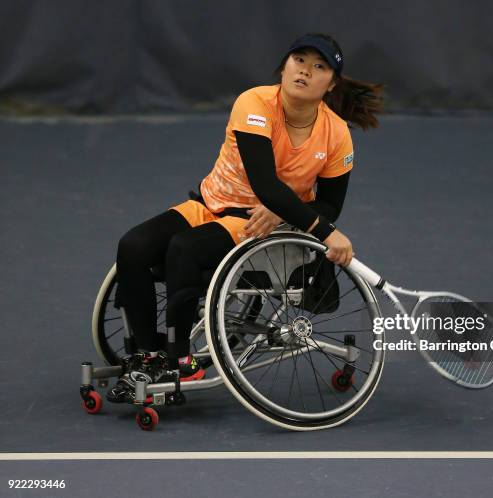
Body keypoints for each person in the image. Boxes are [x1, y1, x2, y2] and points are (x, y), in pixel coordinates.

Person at [107, 33, 384, 402]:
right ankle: (148, 354)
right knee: (134, 246)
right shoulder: (253, 102)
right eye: (299, 60)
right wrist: (326, 232)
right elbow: (266, 184)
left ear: (331, 83)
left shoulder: (336, 135)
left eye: (319, 67)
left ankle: (180, 361)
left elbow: (329, 204)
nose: (305, 70)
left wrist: (292, 216)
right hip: (208, 205)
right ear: (284, 67)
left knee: (183, 250)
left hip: (256, 223)